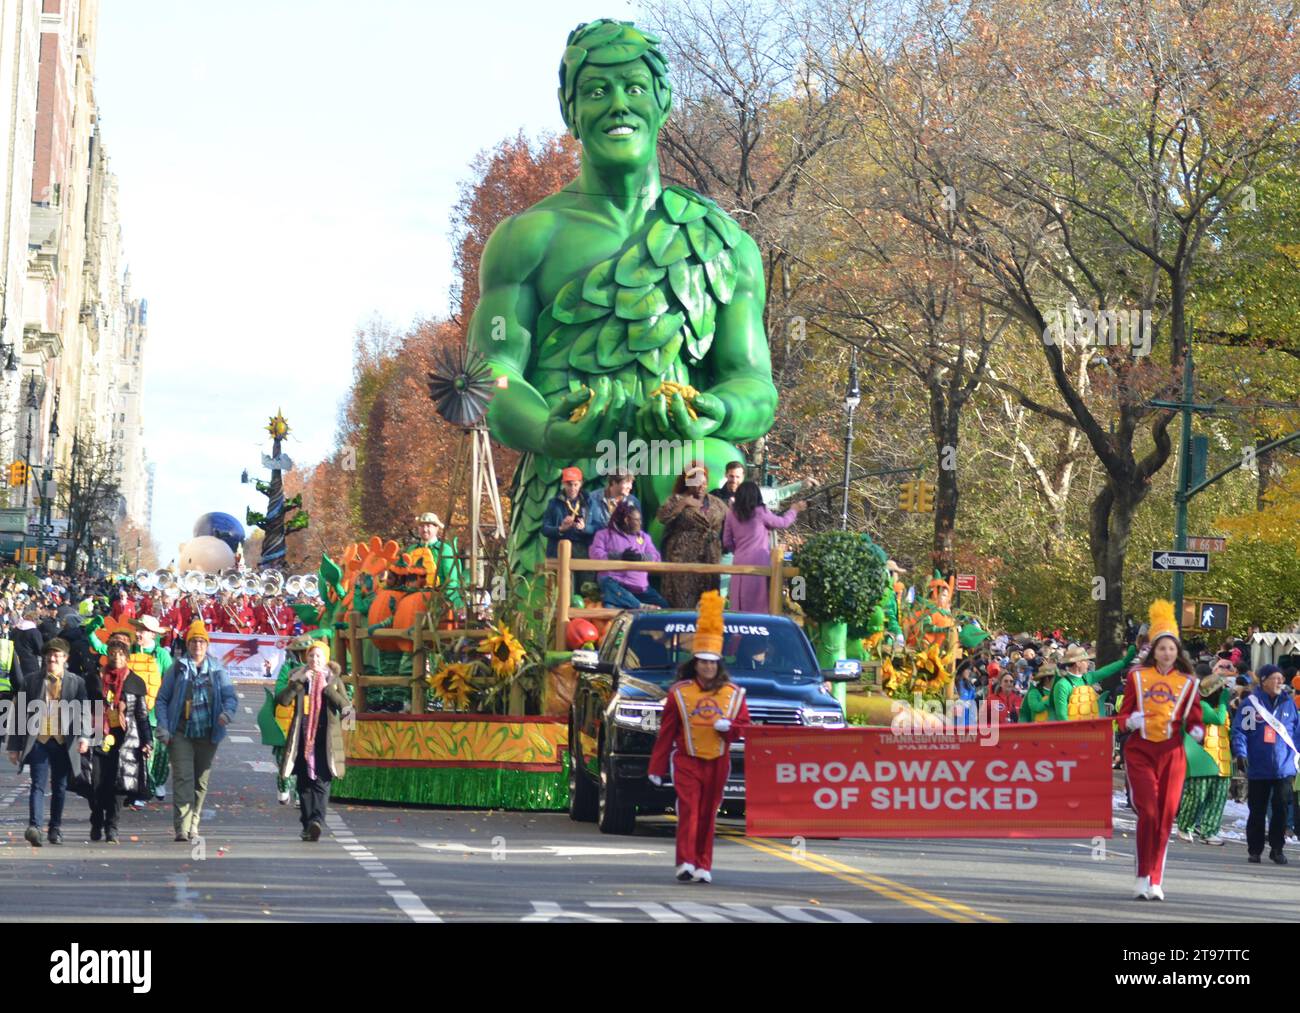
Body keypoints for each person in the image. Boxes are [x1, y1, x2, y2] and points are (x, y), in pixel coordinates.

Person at [647, 591, 749, 883]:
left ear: (718, 664)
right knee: (689, 810)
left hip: (718, 760)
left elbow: (745, 727)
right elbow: (666, 732)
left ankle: (704, 865)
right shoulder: (679, 692)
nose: (707, 667)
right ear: (695, 663)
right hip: (687, 760)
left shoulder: (734, 694)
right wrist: (656, 767)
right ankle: (685, 862)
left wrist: (730, 728)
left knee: (708, 814)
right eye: (702, 662)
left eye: (712, 662)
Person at [1117, 600, 1205, 901]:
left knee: (1167, 816)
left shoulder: (1189, 682)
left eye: (1171, 648)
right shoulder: (1137, 678)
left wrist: (1197, 729)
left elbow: (1195, 717)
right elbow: (1120, 718)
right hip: (1141, 751)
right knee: (1150, 812)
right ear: (1153, 650)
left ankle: (1155, 878)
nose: (1167, 653)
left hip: (1172, 754)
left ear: (1177, 652)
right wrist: (1129, 720)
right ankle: (1142, 874)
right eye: (1161, 647)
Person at [154, 620, 237, 842]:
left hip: (208, 734)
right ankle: (182, 826)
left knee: (200, 781)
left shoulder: (217, 669)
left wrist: (226, 714)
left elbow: (230, 697)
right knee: (183, 778)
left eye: (201, 641)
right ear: (188, 644)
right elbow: (162, 699)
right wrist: (163, 725)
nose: (197, 645)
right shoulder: (177, 668)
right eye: (193, 641)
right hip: (180, 732)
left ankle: (194, 822)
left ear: (207, 645)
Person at [5, 638, 92, 847]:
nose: (53, 659)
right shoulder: (31, 681)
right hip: (39, 740)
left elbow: (85, 711)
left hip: (63, 741)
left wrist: (85, 737)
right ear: (45, 658)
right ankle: (35, 827)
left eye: (57, 655)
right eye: (50, 655)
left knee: (60, 786)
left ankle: (55, 828)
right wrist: (14, 746)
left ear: (65, 658)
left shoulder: (76, 682)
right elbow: (18, 715)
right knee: (37, 784)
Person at [276, 641, 354, 841]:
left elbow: (347, 709)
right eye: (311, 656)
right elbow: (283, 700)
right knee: (303, 782)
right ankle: (307, 823)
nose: (314, 660)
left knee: (322, 781)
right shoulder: (298, 677)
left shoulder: (334, 681)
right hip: (301, 737)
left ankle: (317, 821)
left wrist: (328, 690)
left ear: (326, 659)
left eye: (319, 656)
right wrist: (299, 682)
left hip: (325, 738)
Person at [1230, 663, 1299, 865]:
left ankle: (1277, 849)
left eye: (1281, 678)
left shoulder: (1288, 704)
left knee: (1281, 810)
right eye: (1275, 678)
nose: (1280, 682)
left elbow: (1296, 732)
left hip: (1284, 767)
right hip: (1258, 766)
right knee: (1257, 811)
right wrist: (1241, 753)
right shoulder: (1250, 704)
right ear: (1263, 680)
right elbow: (1240, 731)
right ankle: (1255, 849)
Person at [89, 632, 152, 843]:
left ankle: (112, 827)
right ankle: (97, 820)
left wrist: (147, 740)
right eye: (113, 653)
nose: (116, 658)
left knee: (118, 787)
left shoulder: (134, 682)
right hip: (98, 735)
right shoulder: (96, 679)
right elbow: (85, 707)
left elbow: (142, 715)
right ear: (107, 655)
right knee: (97, 784)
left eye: (120, 654)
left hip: (126, 740)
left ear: (126, 657)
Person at [722, 480, 804, 614]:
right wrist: (794, 510)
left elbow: (726, 541)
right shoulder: (760, 512)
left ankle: (737, 633)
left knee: (738, 600)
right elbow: (783, 523)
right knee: (758, 601)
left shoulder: (731, 513)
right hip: (759, 561)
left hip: (738, 561)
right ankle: (758, 631)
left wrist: (738, 550)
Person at [1176, 660, 1232, 846]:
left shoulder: (1221, 709)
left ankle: (1210, 830)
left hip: (1222, 761)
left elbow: (1226, 728)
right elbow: (1216, 719)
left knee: (1218, 798)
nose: (1225, 692)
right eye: (1221, 690)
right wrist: (1224, 703)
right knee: (1197, 796)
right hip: (1203, 759)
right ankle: (1185, 827)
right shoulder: (1202, 707)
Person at [656, 464, 728, 609]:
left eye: (704, 482)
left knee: (709, 601)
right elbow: (662, 517)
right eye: (696, 483)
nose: (701, 486)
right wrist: (683, 503)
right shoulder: (677, 499)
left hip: (710, 557)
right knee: (683, 600)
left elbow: (732, 521)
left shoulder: (716, 503)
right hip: (683, 557)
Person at [257, 633, 314, 804]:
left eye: (308, 652)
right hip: (287, 722)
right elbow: (281, 693)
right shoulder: (286, 668)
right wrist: (296, 683)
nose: (305, 656)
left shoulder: (318, 668)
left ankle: (299, 794)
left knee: (304, 759)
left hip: (307, 720)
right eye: (302, 652)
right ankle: (283, 786)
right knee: (283, 759)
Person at [588, 502, 669, 609]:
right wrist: (620, 556)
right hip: (616, 587)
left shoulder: (644, 537)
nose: (640, 523)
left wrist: (640, 557)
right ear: (627, 520)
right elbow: (595, 554)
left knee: (664, 606)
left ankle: (633, 603)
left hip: (641, 588)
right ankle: (639, 606)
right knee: (607, 588)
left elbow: (656, 557)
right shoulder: (604, 534)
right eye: (637, 520)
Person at [1051, 642, 1137, 721]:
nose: (1088, 663)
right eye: (1085, 660)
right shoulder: (1062, 685)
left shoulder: (1087, 677)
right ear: (1078, 663)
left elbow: (1106, 671)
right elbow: (1062, 716)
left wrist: (1125, 661)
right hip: (1072, 733)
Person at [406, 511, 464, 611]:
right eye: (422, 526)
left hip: (439, 601)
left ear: (436, 528)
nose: (425, 529)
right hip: (412, 600)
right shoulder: (411, 550)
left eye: (429, 526)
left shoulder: (445, 550)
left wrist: (440, 599)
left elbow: (452, 581)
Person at [542, 467, 594, 559]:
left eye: (576, 484)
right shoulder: (554, 503)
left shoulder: (588, 502)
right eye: (569, 485)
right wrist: (560, 529)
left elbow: (595, 527)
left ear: (581, 484)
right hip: (558, 550)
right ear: (563, 484)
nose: (572, 488)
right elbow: (545, 529)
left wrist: (584, 528)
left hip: (582, 550)